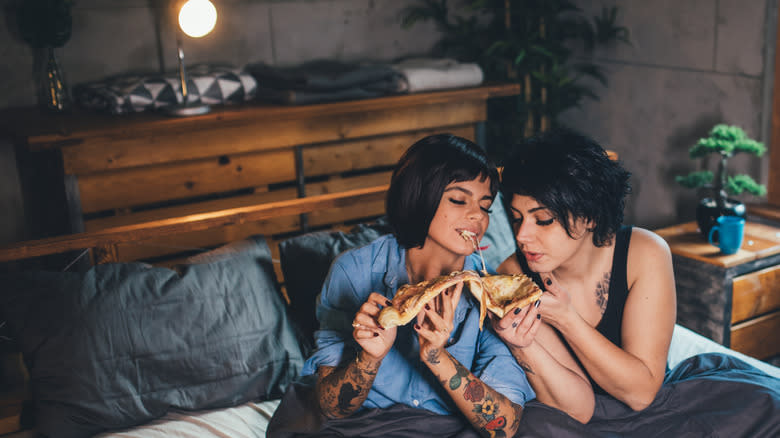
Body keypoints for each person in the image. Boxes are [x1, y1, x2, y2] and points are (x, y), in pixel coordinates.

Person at [300, 133, 535, 436]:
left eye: (486, 206)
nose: (478, 215)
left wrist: (437, 356)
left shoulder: (490, 292)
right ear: (420, 196)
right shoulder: (354, 270)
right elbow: (332, 406)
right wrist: (369, 357)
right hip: (366, 426)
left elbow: (503, 426)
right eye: (459, 199)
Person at [492, 128, 676, 423]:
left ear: (590, 216)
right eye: (516, 219)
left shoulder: (645, 253)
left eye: (543, 220)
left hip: (658, 409)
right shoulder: (514, 275)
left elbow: (641, 393)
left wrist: (567, 319)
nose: (522, 236)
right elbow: (576, 405)